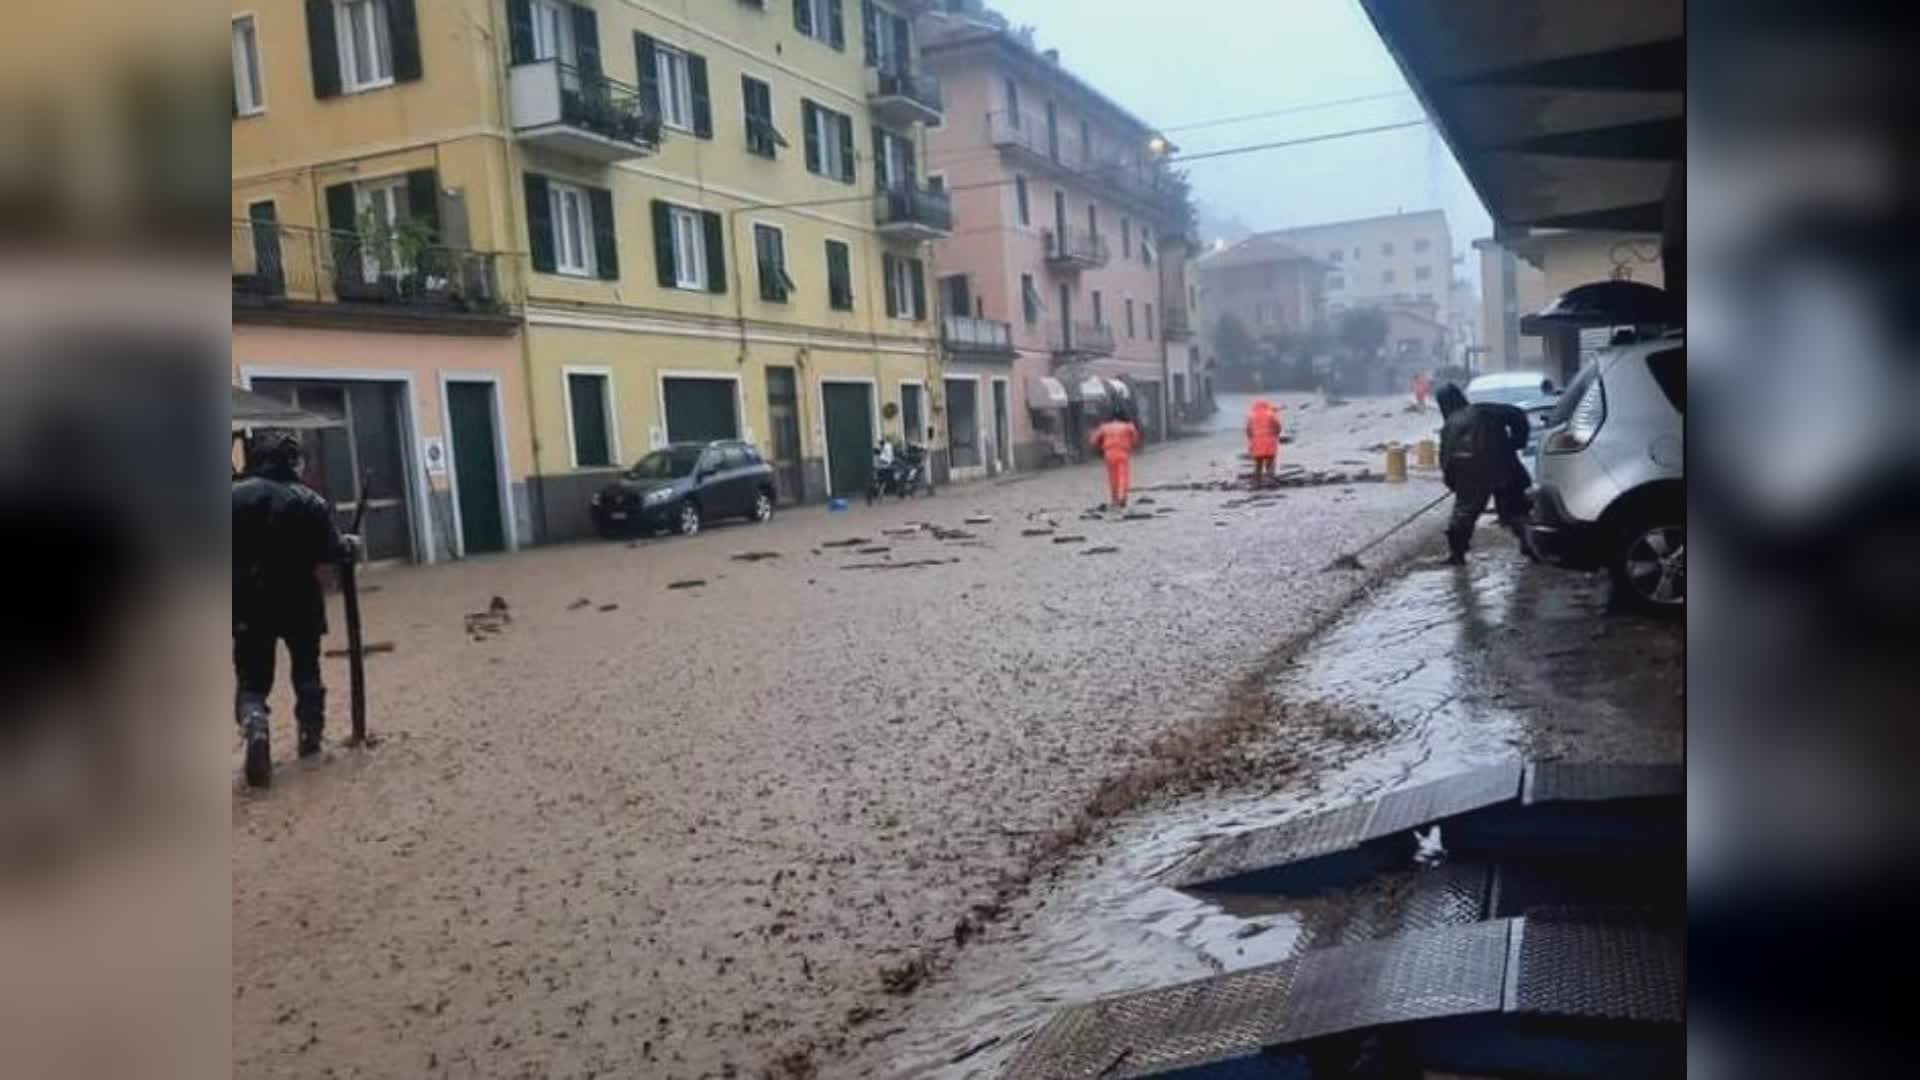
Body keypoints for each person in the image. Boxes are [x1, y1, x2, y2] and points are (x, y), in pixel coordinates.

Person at [233, 432, 358, 787]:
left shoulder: (230, 498)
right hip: (300, 601)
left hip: (247, 602)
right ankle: (310, 735)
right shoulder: (310, 501)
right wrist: (348, 546)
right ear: (292, 462)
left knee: (252, 679)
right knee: (307, 669)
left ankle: (255, 722)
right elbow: (331, 551)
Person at [1436, 383, 1534, 566]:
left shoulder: (1449, 426)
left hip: (1470, 474)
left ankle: (1457, 554)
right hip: (1505, 465)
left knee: (1463, 514)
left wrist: (1452, 482)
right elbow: (1517, 414)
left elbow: (1445, 458)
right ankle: (1530, 543)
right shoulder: (1485, 410)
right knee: (1516, 510)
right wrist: (1518, 441)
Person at [1089, 403, 1143, 509]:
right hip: (1123, 452)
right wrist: (1132, 446)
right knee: (1123, 476)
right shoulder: (1128, 426)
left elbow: (1093, 440)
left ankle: (1114, 499)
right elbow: (1136, 439)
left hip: (1108, 453)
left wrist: (1099, 448)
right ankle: (1122, 498)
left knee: (1112, 477)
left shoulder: (1104, 427)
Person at [1245, 398, 1282, 487]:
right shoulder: (1271, 415)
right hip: (1270, 444)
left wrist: (1252, 440)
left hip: (1257, 445)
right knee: (1270, 463)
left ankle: (1257, 482)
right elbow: (1278, 427)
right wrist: (1275, 435)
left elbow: (1248, 431)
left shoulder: (1251, 417)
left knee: (1258, 464)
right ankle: (1270, 481)